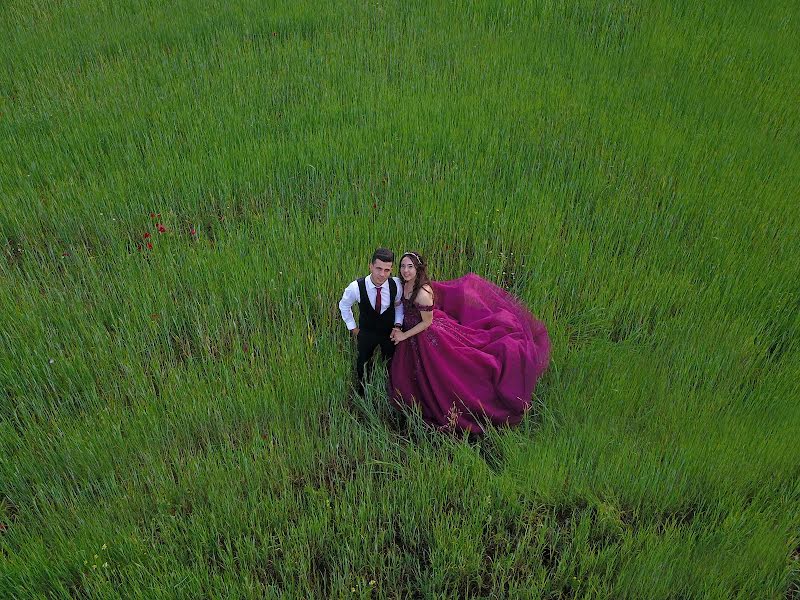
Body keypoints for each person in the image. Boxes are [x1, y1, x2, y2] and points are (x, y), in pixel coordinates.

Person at [389, 252, 550, 434]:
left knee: (448, 370)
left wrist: (404, 335)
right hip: (410, 332)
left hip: (425, 334)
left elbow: (426, 323)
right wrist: (397, 326)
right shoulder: (401, 284)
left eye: (410, 266)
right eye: (403, 266)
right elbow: (400, 306)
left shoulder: (423, 293)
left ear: (418, 269)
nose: (405, 270)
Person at [339, 248, 405, 395]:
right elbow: (344, 305)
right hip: (367, 331)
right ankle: (363, 392)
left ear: (391, 269)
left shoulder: (396, 285)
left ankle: (391, 391)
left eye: (387, 270)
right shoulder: (356, 287)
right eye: (378, 269)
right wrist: (353, 328)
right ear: (370, 266)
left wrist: (398, 325)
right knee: (363, 361)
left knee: (391, 362)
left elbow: (399, 305)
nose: (382, 274)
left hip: (389, 331)